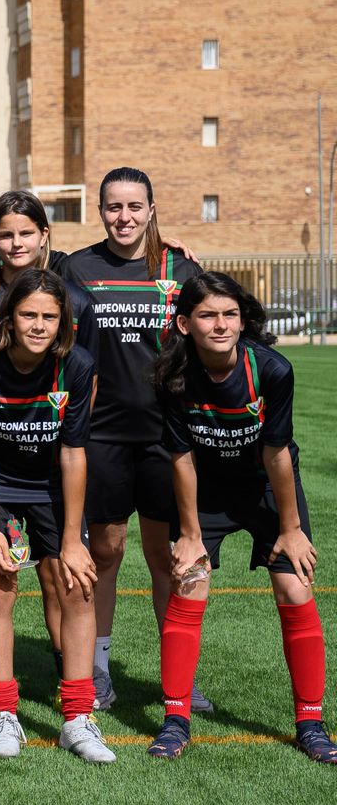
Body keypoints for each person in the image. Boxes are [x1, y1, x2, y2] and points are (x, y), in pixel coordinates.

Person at [150, 274, 334, 762]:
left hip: (264, 488)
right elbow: (181, 457)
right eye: (208, 315)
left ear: (243, 319)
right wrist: (190, 534)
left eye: (230, 314)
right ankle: (176, 719)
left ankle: (311, 723)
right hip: (205, 490)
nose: (220, 324)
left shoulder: (271, 370)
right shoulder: (172, 374)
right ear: (185, 323)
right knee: (189, 580)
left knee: (294, 586)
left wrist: (291, 530)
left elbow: (277, 455)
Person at [61, 167, 204, 712]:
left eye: (134, 207)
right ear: (100, 211)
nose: (124, 217)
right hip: (102, 434)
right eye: (113, 207)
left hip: (167, 437)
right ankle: (98, 671)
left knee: (168, 557)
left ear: (151, 209)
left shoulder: (180, 268)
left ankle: (179, 682)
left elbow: (211, 321)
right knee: (106, 551)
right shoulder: (77, 268)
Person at [0, 270, 111, 763]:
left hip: (51, 487)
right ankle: (4, 713)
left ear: (64, 321)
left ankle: (78, 718)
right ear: (8, 318)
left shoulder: (77, 366)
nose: (39, 325)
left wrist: (71, 537)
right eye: (29, 314)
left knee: (77, 585)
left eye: (50, 316)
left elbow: (73, 453)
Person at [0, 190, 97, 359]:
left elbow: (90, 376)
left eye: (26, 234)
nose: (16, 243)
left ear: (44, 235)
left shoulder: (76, 301)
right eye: (6, 235)